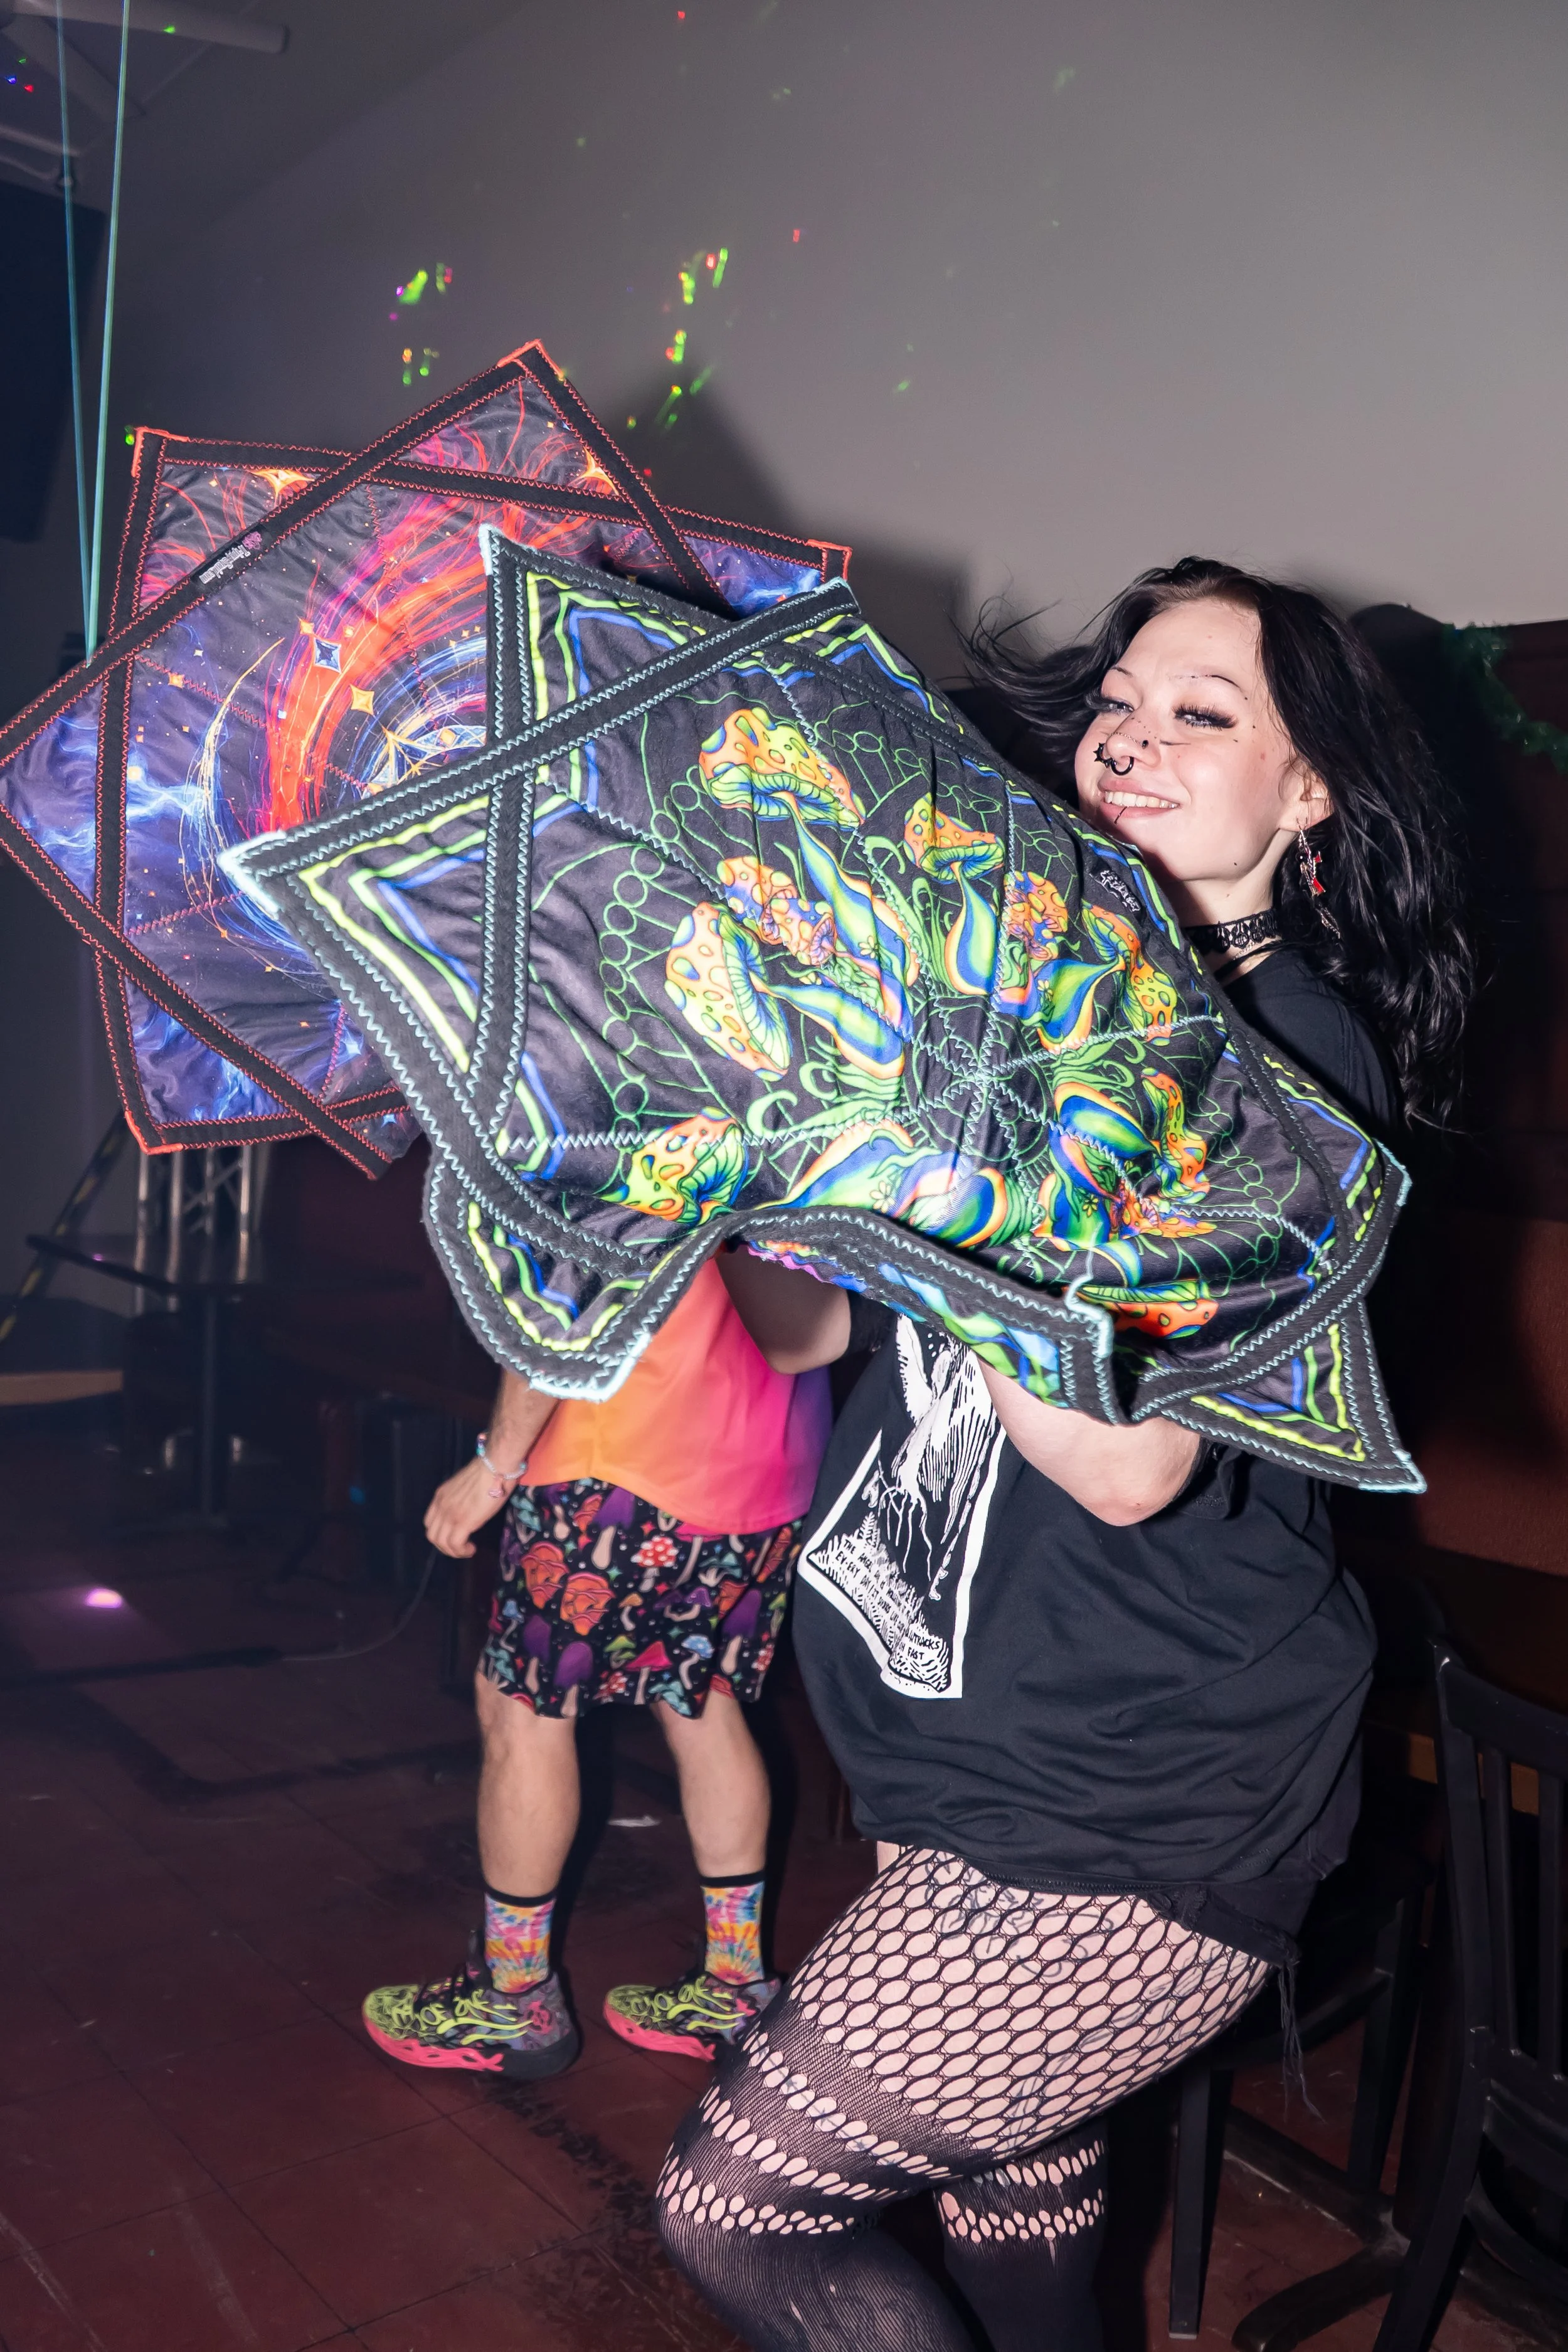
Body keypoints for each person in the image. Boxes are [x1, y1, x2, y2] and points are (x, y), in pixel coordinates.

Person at [655, 558, 1474, 2350]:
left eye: (1205, 712)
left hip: (1138, 1787)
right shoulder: (1021, 1000)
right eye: (1121, 697)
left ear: (1311, 787)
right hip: (964, 1743)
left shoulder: (1278, 1053)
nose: (1131, 736)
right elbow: (824, 1339)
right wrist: (725, 1201)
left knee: (741, 2201)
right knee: (1011, 2195)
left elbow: (1127, 1467)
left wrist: (938, 1174)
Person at [361, 1254, 832, 2077]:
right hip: (771, 1453)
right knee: (706, 1699)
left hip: (618, 1451)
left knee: (524, 1707)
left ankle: (513, 2002)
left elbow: (561, 1304)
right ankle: (734, 1983)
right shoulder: (801, 1124)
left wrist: (495, 1465)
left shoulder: (621, 1123)